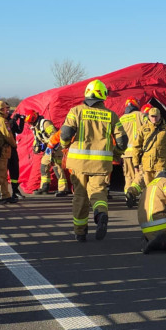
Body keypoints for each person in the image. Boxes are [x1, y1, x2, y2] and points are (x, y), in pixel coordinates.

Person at [60, 79, 128, 241]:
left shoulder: (76, 111)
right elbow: (122, 142)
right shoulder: (111, 115)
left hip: (78, 164)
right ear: (103, 96)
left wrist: (64, 146)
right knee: (98, 194)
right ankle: (100, 215)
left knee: (80, 197)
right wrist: (116, 155)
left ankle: (80, 232)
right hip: (102, 165)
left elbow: (65, 135)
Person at [25, 110, 68, 196]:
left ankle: (63, 189)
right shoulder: (35, 126)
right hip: (48, 148)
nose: (30, 125)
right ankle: (44, 187)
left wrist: (49, 144)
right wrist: (37, 146)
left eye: (30, 122)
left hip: (56, 148)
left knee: (57, 167)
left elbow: (55, 135)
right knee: (44, 166)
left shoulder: (45, 124)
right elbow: (37, 138)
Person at [132, 107, 166, 186]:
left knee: (160, 187)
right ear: (149, 116)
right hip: (147, 166)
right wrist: (135, 164)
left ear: (160, 116)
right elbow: (136, 147)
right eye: (152, 116)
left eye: (156, 116)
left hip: (162, 165)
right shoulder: (142, 129)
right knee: (148, 188)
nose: (154, 118)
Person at [119, 97, 145, 209]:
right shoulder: (140, 115)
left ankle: (128, 197)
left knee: (128, 176)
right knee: (141, 175)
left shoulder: (121, 119)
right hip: (138, 153)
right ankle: (138, 196)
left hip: (125, 154)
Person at [8, 109, 26, 199]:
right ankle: (1, 192)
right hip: (5, 150)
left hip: (13, 150)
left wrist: (21, 120)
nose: (8, 112)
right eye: (6, 110)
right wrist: (13, 120)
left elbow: (19, 131)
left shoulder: (11, 121)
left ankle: (15, 190)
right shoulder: (1, 120)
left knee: (15, 170)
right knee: (3, 172)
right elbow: (8, 130)